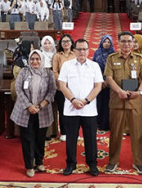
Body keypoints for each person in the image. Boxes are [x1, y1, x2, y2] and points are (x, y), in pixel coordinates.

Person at [104, 31, 142, 174]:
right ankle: (112, 161)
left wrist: (140, 92)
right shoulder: (112, 58)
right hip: (117, 101)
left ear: (133, 43)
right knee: (115, 133)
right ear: (118, 43)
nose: (127, 44)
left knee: (138, 133)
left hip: (135, 101)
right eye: (123, 41)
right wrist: (119, 91)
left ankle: (138, 162)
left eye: (129, 41)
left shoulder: (140, 58)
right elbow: (109, 78)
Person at [58, 39, 103, 176]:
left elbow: (98, 86)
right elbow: (62, 85)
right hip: (71, 109)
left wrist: (86, 101)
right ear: (74, 50)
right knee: (71, 139)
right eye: (79, 49)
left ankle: (92, 164)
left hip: (89, 110)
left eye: (84, 49)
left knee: (90, 139)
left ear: (88, 51)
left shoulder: (94, 66)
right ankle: (71, 164)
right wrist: (73, 100)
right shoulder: (67, 65)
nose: (82, 52)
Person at [11, 50, 56, 178]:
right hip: (25, 111)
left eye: (37, 59)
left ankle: (40, 161)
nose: (35, 61)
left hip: (42, 110)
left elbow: (52, 91)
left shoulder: (48, 73)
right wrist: (29, 106)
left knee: (40, 138)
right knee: (27, 139)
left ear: (42, 60)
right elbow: (18, 89)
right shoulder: (24, 72)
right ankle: (29, 165)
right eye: (32, 59)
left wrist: (41, 105)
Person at [52, 34, 76, 141]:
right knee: (62, 110)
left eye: (68, 41)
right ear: (61, 44)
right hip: (61, 87)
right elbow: (55, 71)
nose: (66, 43)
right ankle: (64, 132)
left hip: (74, 87)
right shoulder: (57, 56)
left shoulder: (75, 54)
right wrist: (62, 82)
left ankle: (73, 132)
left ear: (71, 43)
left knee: (74, 110)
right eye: (63, 41)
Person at [92, 35, 115, 131]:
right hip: (98, 83)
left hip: (111, 83)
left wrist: (107, 81)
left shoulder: (114, 54)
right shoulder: (97, 53)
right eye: (105, 41)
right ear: (101, 42)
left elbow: (115, 70)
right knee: (99, 102)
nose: (106, 43)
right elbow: (93, 67)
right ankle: (98, 123)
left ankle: (108, 123)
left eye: (108, 42)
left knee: (108, 103)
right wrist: (101, 81)